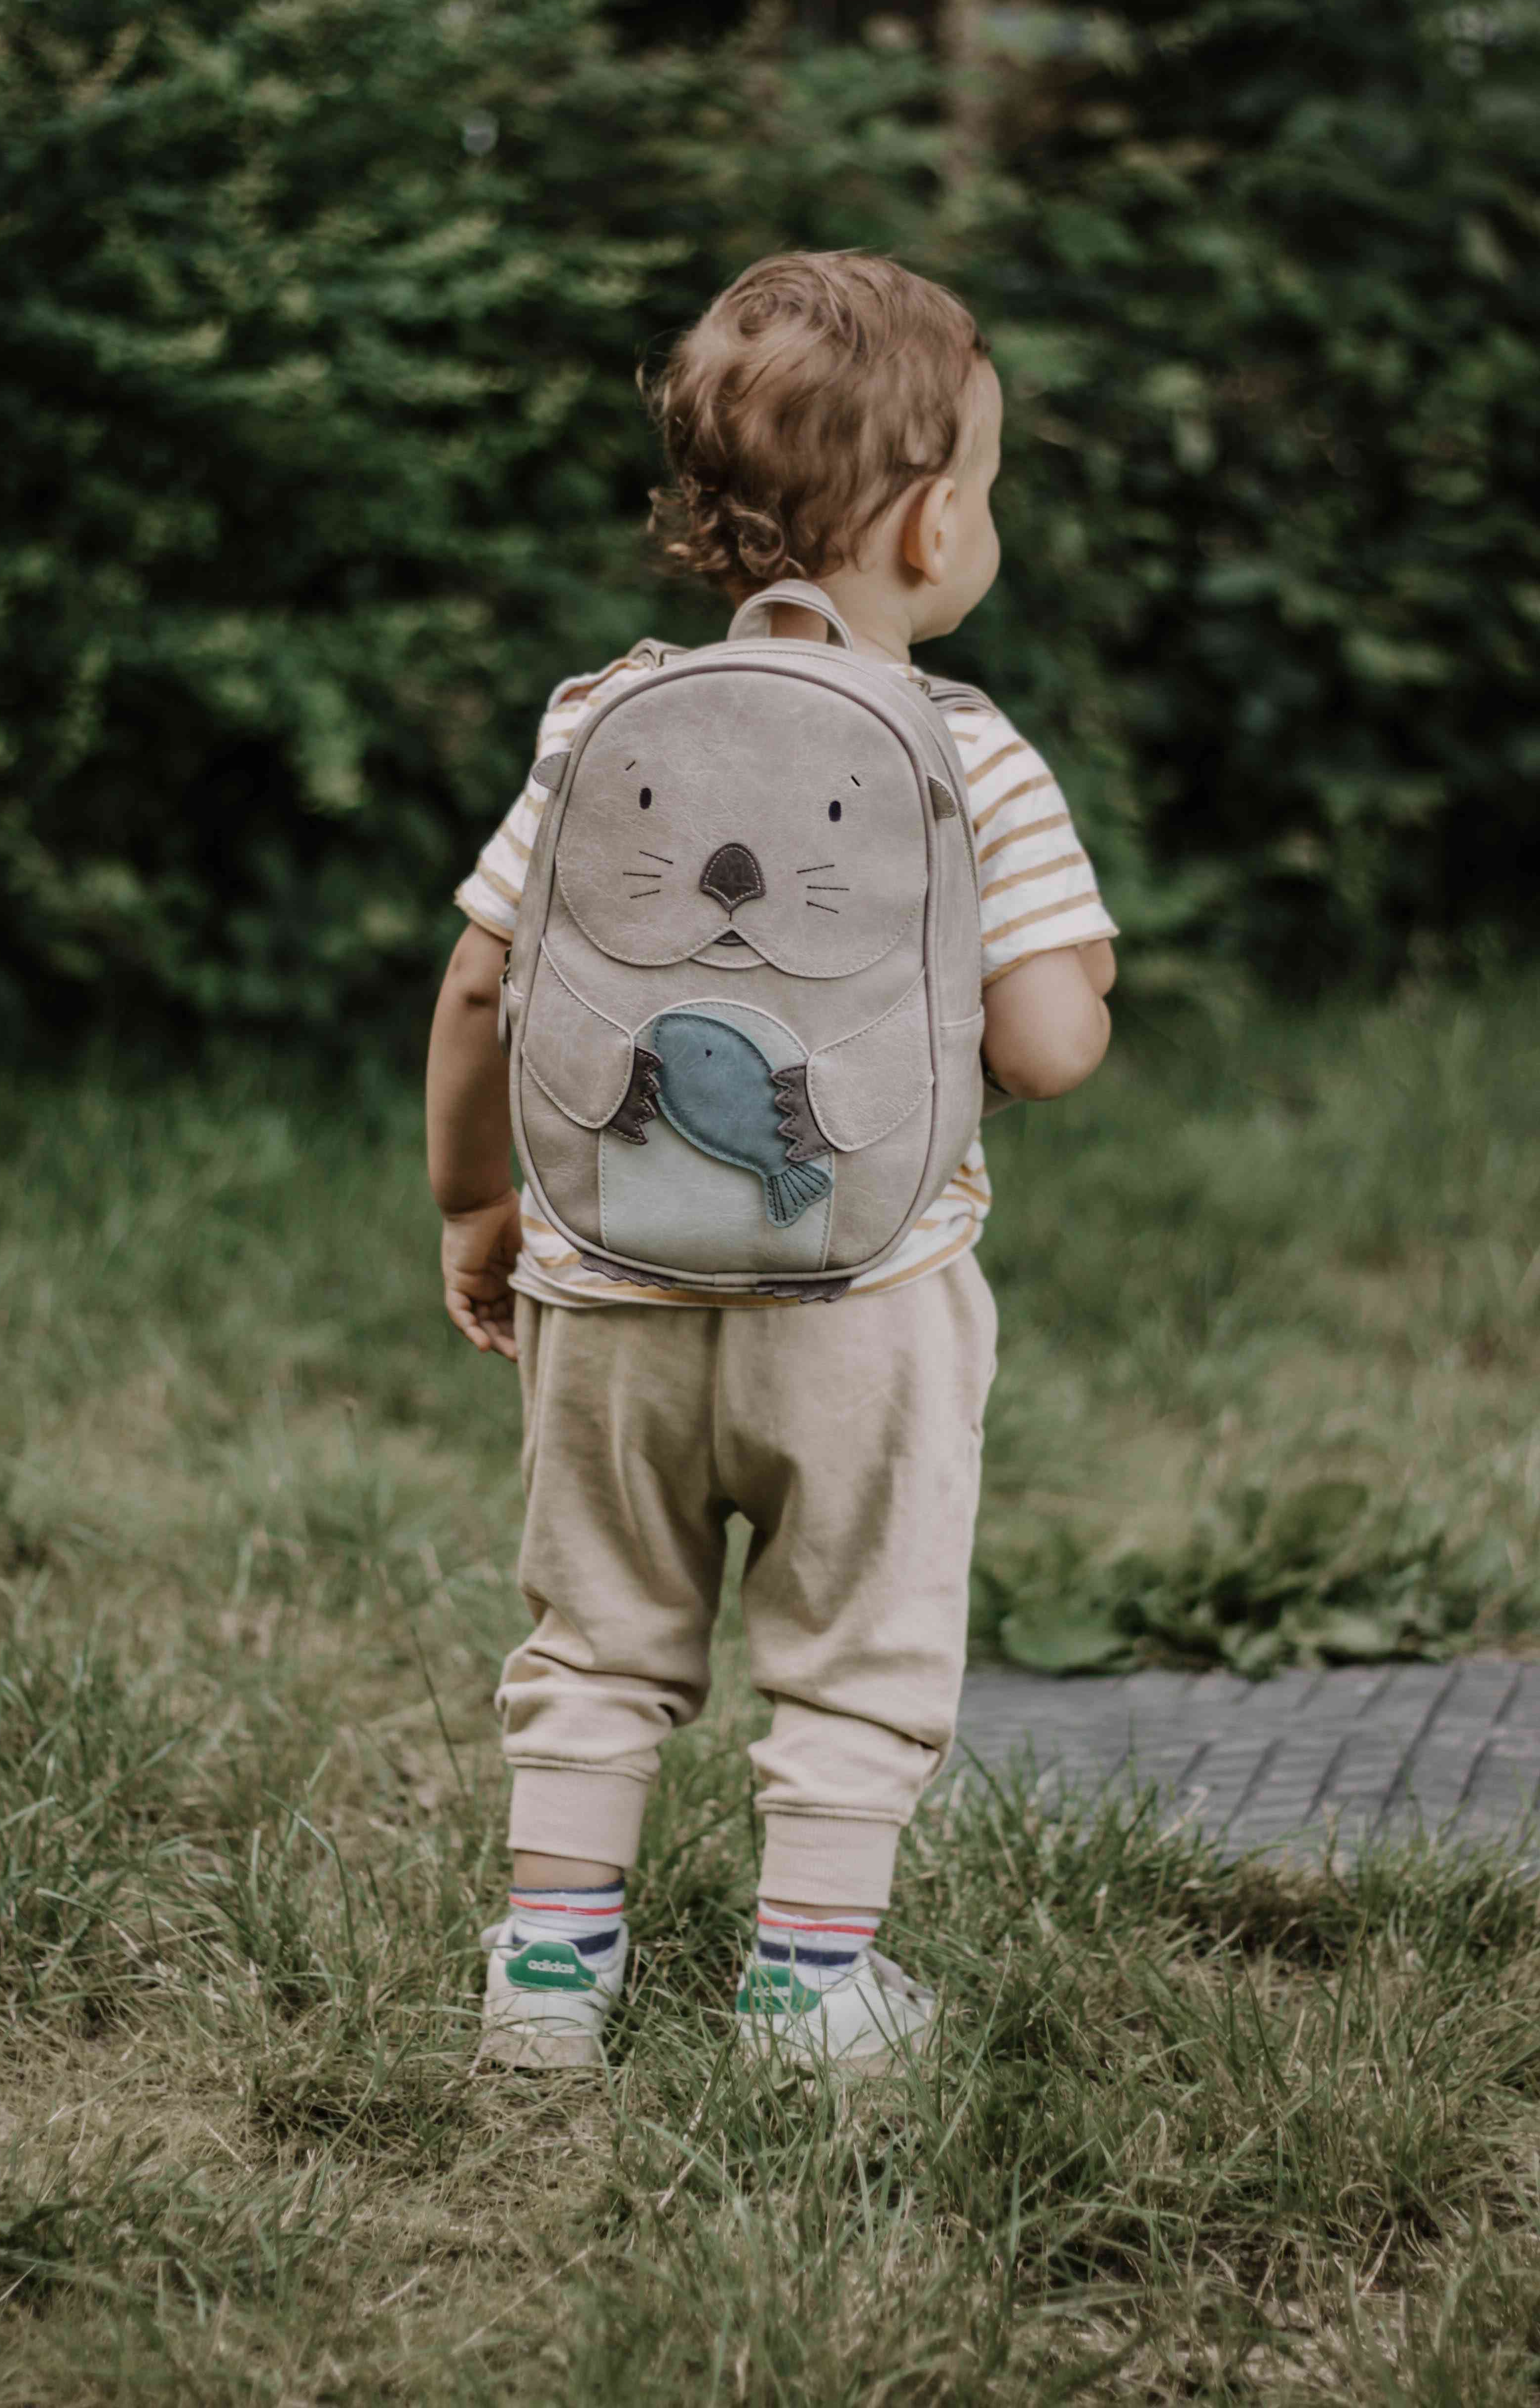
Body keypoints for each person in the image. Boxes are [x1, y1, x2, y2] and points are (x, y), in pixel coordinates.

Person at [425, 252, 1117, 2075]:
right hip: (866, 1307)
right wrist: (1081, 981)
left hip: (607, 1283)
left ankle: (551, 1976)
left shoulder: (597, 723)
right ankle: (811, 1993)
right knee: (860, 1635)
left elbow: (483, 979)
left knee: (598, 1625)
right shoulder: (969, 751)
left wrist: (475, 1205)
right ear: (936, 519)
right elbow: (1045, 1043)